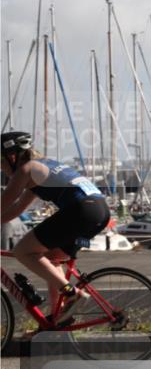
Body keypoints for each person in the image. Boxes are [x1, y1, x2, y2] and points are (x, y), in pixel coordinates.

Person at [0, 131, 110, 324]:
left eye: (0, 161)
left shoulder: (25, 170)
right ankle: (58, 318)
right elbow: (17, 208)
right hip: (99, 211)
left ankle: (71, 293)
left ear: (12, 156)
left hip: (81, 210)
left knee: (23, 252)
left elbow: (3, 204)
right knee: (51, 259)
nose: (0, 167)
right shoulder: (43, 166)